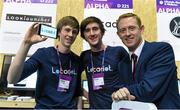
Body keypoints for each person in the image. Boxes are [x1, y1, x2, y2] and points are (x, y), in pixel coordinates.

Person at [7, 16, 82, 109]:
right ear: (58, 32)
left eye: (74, 32)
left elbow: (77, 94)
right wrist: (26, 43)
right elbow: (12, 79)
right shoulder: (43, 54)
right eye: (67, 30)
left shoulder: (77, 61)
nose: (70, 34)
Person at [112, 13, 180, 109]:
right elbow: (121, 92)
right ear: (118, 34)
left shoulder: (161, 50)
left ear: (141, 29)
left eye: (132, 28)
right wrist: (118, 94)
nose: (127, 33)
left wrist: (124, 92)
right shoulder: (122, 64)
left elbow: (149, 90)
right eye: (123, 30)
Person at [80, 16, 128, 109]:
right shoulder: (85, 56)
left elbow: (131, 78)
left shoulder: (118, 52)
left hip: (118, 107)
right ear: (84, 36)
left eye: (95, 29)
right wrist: (87, 96)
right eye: (87, 30)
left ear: (102, 32)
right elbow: (73, 78)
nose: (92, 33)